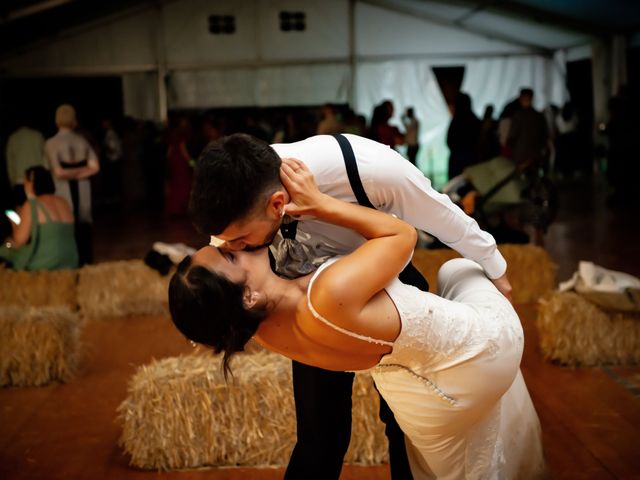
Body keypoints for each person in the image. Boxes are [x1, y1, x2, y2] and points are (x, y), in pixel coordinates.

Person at [170, 158, 546, 479]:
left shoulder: (260, 328)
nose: (233, 243)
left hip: (424, 405)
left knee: (329, 437)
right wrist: (320, 203)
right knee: (458, 269)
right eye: (230, 254)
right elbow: (403, 234)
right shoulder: (327, 293)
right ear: (248, 297)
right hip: (478, 357)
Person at [44, 104, 99, 266]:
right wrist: (80, 172)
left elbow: (58, 172)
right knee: (84, 225)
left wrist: (69, 174)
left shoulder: (51, 143)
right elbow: (95, 167)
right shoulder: (81, 140)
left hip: (63, 190)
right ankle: (86, 262)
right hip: (82, 187)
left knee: (68, 225)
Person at [0, 166, 79, 271]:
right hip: (70, 259)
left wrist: (11, 231)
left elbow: (19, 240)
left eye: (25, 181)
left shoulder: (31, 205)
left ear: (31, 183)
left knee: (4, 250)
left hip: (47, 262)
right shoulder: (63, 202)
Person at [5, 116, 45, 207]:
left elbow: (10, 164)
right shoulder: (38, 136)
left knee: (22, 211)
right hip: (37, 180)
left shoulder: (13, 138)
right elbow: (45, 158)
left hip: (20, 181)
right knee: (40, 209)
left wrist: (13, 182)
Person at [446, 92, 481, 180]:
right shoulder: (475, 120)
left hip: (457, 161)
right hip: (472, 161)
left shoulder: (456, 121)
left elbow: (449, 141)